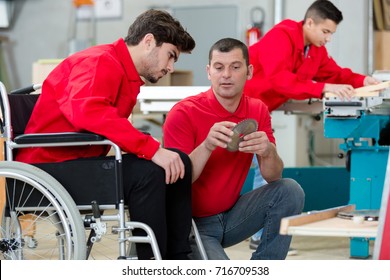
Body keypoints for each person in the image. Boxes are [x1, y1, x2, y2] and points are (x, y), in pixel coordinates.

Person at [15, 9, 196, 260]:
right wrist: (152, 149)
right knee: (150, 173)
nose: (171, 67)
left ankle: (177, 258)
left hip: (78, 159)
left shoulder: (121, 69)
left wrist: (155, 150)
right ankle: (152, 263)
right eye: (170, 56)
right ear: (149, 42)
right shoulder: (100, 61)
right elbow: (88, 111)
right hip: (52, 165)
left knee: (179, 162)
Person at [244, 0, 379, 250]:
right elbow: (280, 80)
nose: (328, 38)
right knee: (263, 174)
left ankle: (257, 234)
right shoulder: (281, 36)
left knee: (264, 171)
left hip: (261, 112)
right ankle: (257, 235)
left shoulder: (314, 49)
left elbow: (335, 74)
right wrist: (323, 88)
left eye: (332, 34)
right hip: (243, 109)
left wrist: (363, 79)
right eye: (325, 32)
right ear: (309, 23)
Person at [163, 37, 305, 260]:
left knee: (289, 190)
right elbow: (177, 183)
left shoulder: (257, 110)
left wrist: (267, 150)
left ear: (249, 72)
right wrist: (207, 145)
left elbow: (272, 176)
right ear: (209, 71)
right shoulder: (183, 113)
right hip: (191, 226)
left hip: (232, 217)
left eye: (235, 67)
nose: (226, 74)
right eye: (219, 68)